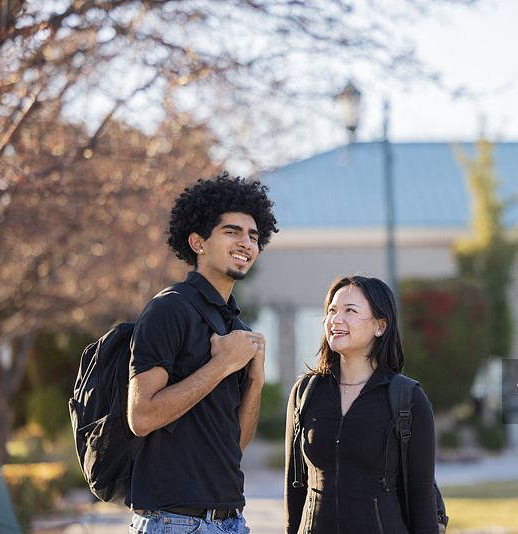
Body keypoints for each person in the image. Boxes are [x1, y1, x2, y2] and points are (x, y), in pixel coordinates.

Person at [127, 173, 278, 534]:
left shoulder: (237, 329)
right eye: (232, 232)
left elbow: (234, 444)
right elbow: (141, 416)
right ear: (198, 242)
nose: (246, 243)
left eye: (253, 236)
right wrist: (223, 364)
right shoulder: (170, 309)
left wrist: (254, 382)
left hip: (231, 521)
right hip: (173, 521)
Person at [284, 275, 439, 534]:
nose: (336, 319)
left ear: (380, 326)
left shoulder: (408, 398)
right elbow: (294, 487)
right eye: (331, 311)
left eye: (350, 311)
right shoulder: (305, 392)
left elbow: (422, 498)